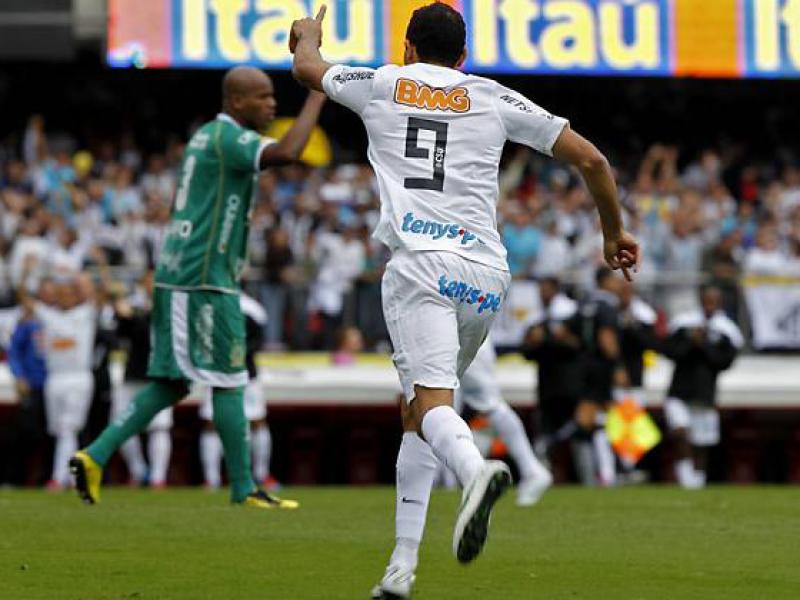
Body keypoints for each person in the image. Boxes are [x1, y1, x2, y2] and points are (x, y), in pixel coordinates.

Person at [291, 4, 639, 597]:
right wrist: (613, 233)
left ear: (407, 48)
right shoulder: (493, 96)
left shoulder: (381, 83)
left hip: (420, 267)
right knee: (419, 415)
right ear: (463, 57)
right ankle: (401, 568)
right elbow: (594, 160)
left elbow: (308, 69)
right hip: (485, 276)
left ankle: (477, 472)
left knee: (429, 405)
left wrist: (308, 35)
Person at [69, 66, 326, 509]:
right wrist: (319, 93)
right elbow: (287, 152)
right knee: (229, 378)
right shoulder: (228, 138)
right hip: (203, 278)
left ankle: (95, 455)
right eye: (262, 97)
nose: (272, 104)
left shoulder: (207, 137)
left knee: (174, 383)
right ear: (236, 101)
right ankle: (244, 488)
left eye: (272, 96)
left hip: (186, 272)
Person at [199, 292, 291, 499]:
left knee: (257, 421)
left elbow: (258, 341)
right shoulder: (208, 304)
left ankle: (261, 474)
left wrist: (236, 355)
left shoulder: (252, 309)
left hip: (247, 374)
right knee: (211, 423)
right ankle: (211, 478)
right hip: (217, 374)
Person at [455, 338, 553, 506]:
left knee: (486, 404)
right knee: (441, 408)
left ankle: (529, 470)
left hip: (461, 335)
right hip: (459, 335)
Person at [663, 286, 743, 489]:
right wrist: (691, 342)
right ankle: (685, 478)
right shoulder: (684, 323)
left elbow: (724, 362)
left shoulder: (726, 329)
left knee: (701, 443)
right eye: (706, 300)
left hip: (704, 394)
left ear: (720, 303)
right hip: (679, 391)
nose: (709, 305)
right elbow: (670, 351)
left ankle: (696, 483)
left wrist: (705, 344)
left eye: (713, 301)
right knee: (680, 433)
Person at [111, 271, 174, 488]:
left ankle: (158, 477)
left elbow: (150, 331)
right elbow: (121, 336)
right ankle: (138, 471)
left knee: (159, 427)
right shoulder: (134, 304)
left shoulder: (171, 305)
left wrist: (131, 317)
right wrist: (121, 316)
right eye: (147, 281)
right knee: (121, 423)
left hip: (159, 375)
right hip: (134, 372)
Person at [520, 277, 584, 474]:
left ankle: (587, 476)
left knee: (577, 431)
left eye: (546, 289)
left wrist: (547, 338)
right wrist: (534, 342)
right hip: (547, 384)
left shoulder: (571, 312)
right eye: (541, 290)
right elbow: (526, 351)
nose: (542, 294)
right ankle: (545, 474)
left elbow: (579, 346)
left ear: (556, 290)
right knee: (545, 432)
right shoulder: (536, 318)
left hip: (571, 382)